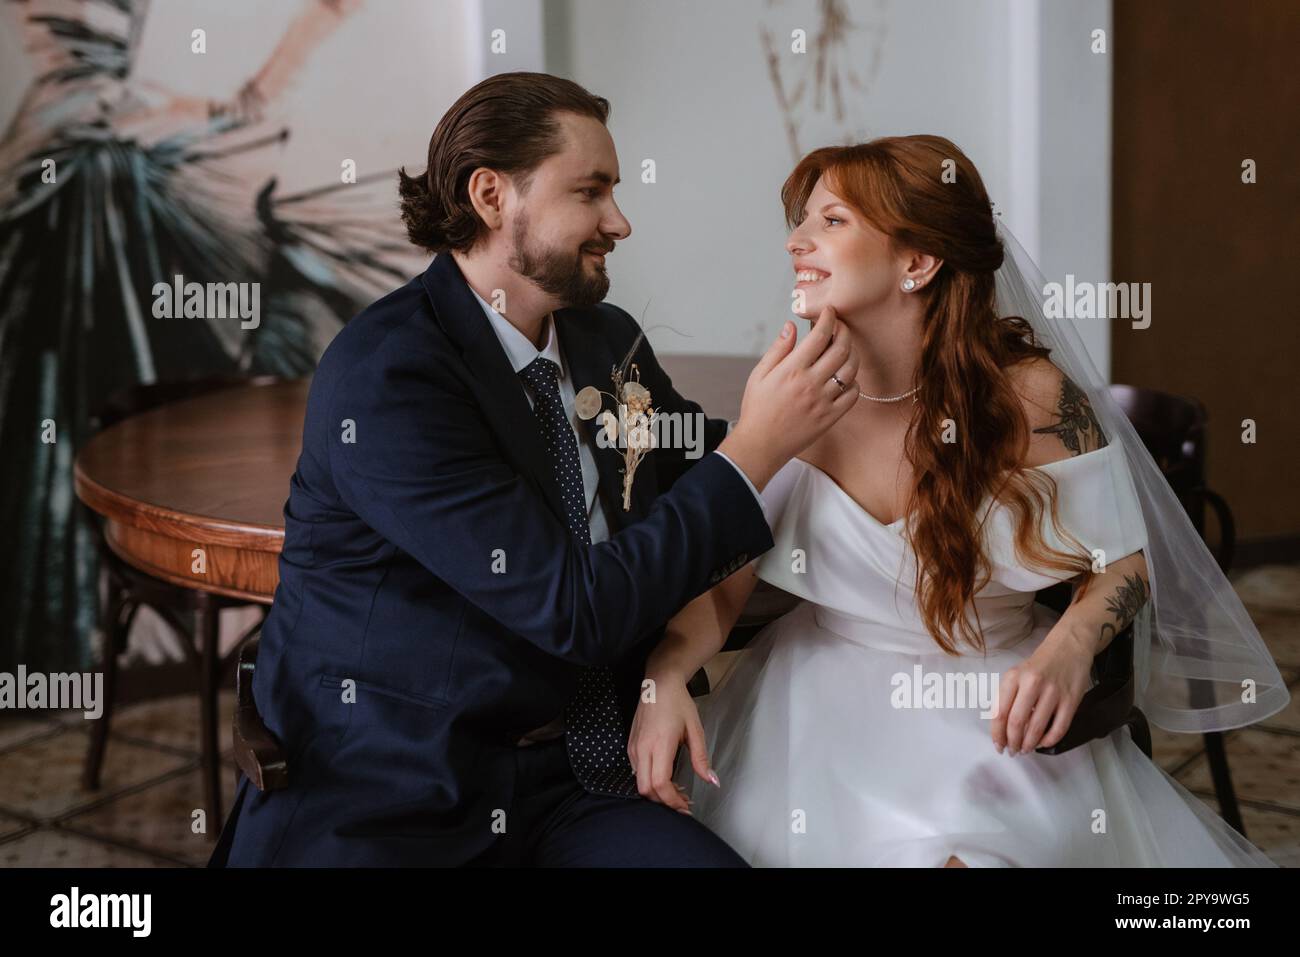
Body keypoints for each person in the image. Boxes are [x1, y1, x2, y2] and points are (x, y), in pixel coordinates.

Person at [210, 72, 860, 866]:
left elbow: (700, 461)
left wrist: (841, 424)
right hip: (397, 793)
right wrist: (759, 446)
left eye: (615, 190)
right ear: (492, 196)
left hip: (579, 778)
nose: (619, 221)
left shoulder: (603, 337)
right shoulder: (387, 375)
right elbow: (575, 606)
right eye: (591, 191)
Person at [632, 135, 1290, 866]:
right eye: (802, 221)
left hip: (993, 700)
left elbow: (1124, 562)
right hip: (814, 700)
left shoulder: (1030, 396)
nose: (797, 241)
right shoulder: (796, 388)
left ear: (918, 262)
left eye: (832, 221)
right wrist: (665, 672)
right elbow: (724, 590)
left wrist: (1072, 645)